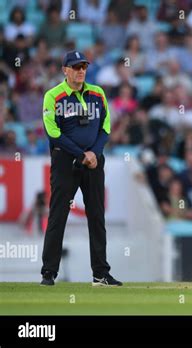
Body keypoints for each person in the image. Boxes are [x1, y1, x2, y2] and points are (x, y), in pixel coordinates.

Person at [40, 51, 122, 287]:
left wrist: (94, 153)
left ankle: (100, 274)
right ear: (65, 70)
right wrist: (81, 154)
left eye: (84, 66)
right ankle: (49, 272)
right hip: (66, 161)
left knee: (97, 215)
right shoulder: (53, 96)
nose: (81, 71)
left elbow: (105, 126)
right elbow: (53, 132)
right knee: (58, 214)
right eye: (75, 67)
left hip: (94, 161)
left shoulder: (97, 93)